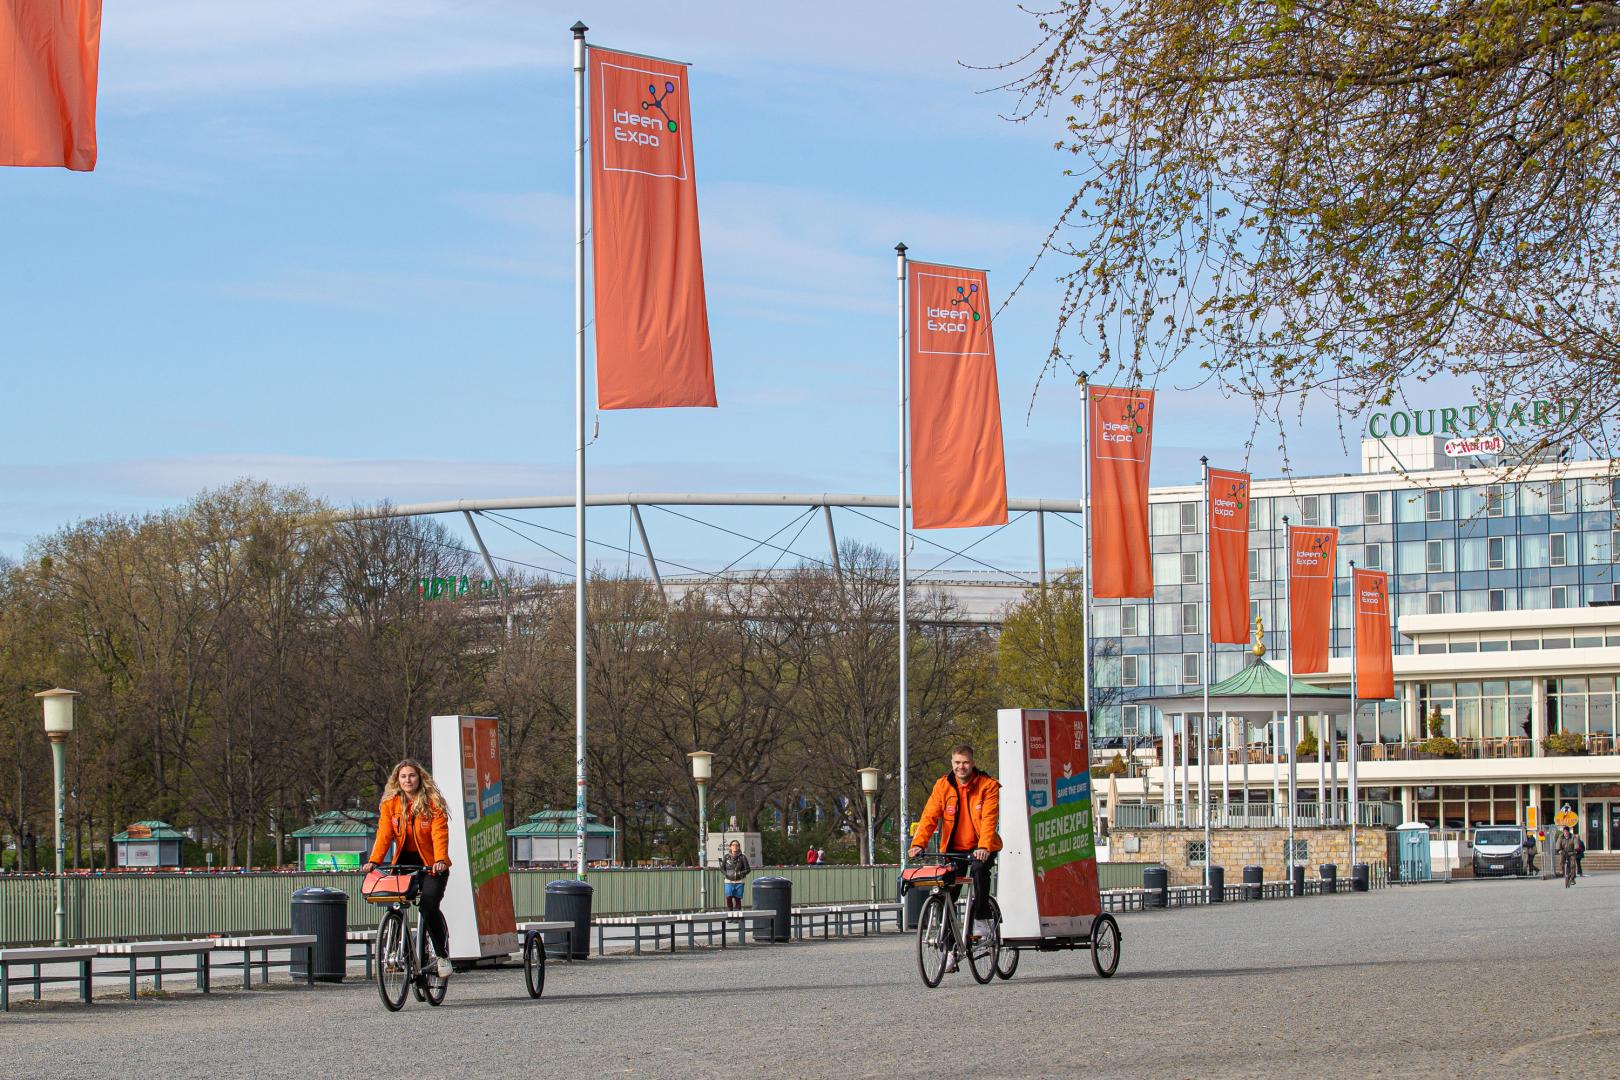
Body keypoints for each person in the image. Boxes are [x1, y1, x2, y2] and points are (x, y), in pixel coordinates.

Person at [361, 759, 454, 977]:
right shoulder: (391, 804)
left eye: (411, 775)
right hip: (403, 862)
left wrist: (440, 859)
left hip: (432, 864)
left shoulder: (433, 803)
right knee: (394, 902)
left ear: (419, 778)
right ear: (397, 780)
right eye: (403, 777)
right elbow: (384, 835)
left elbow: (439, 833)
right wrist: (374, 860)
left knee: (428, 906)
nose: (407, 780)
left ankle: (441, 956)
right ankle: (393, 951)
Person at [908, 743, 1002, 956]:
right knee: (946, 893)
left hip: (981, 847)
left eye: (966, 762)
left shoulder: (988, 785)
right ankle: (950, 948)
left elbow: (989, 819)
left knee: (979, 871)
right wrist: (917, 844)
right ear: (952, 763)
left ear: (973, 763)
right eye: (957, 763)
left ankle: (981, 919)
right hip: (954, 849)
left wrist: (985, 846)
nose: (961, 767)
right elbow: (929, 816)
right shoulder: (943, 786)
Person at [720, 840, 751, 910]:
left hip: (739, 881)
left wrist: (740, 873)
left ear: (739, 847)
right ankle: (730, 915)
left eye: (737, 845)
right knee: (728, 897)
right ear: (730, 847)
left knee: (737, 899)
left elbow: (748, 869)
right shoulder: (726, 857)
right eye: (733, 845)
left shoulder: (742, 857)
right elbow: (722, 868)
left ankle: (737, 917)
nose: (735, 846)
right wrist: (727, 874)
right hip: (728, 881)